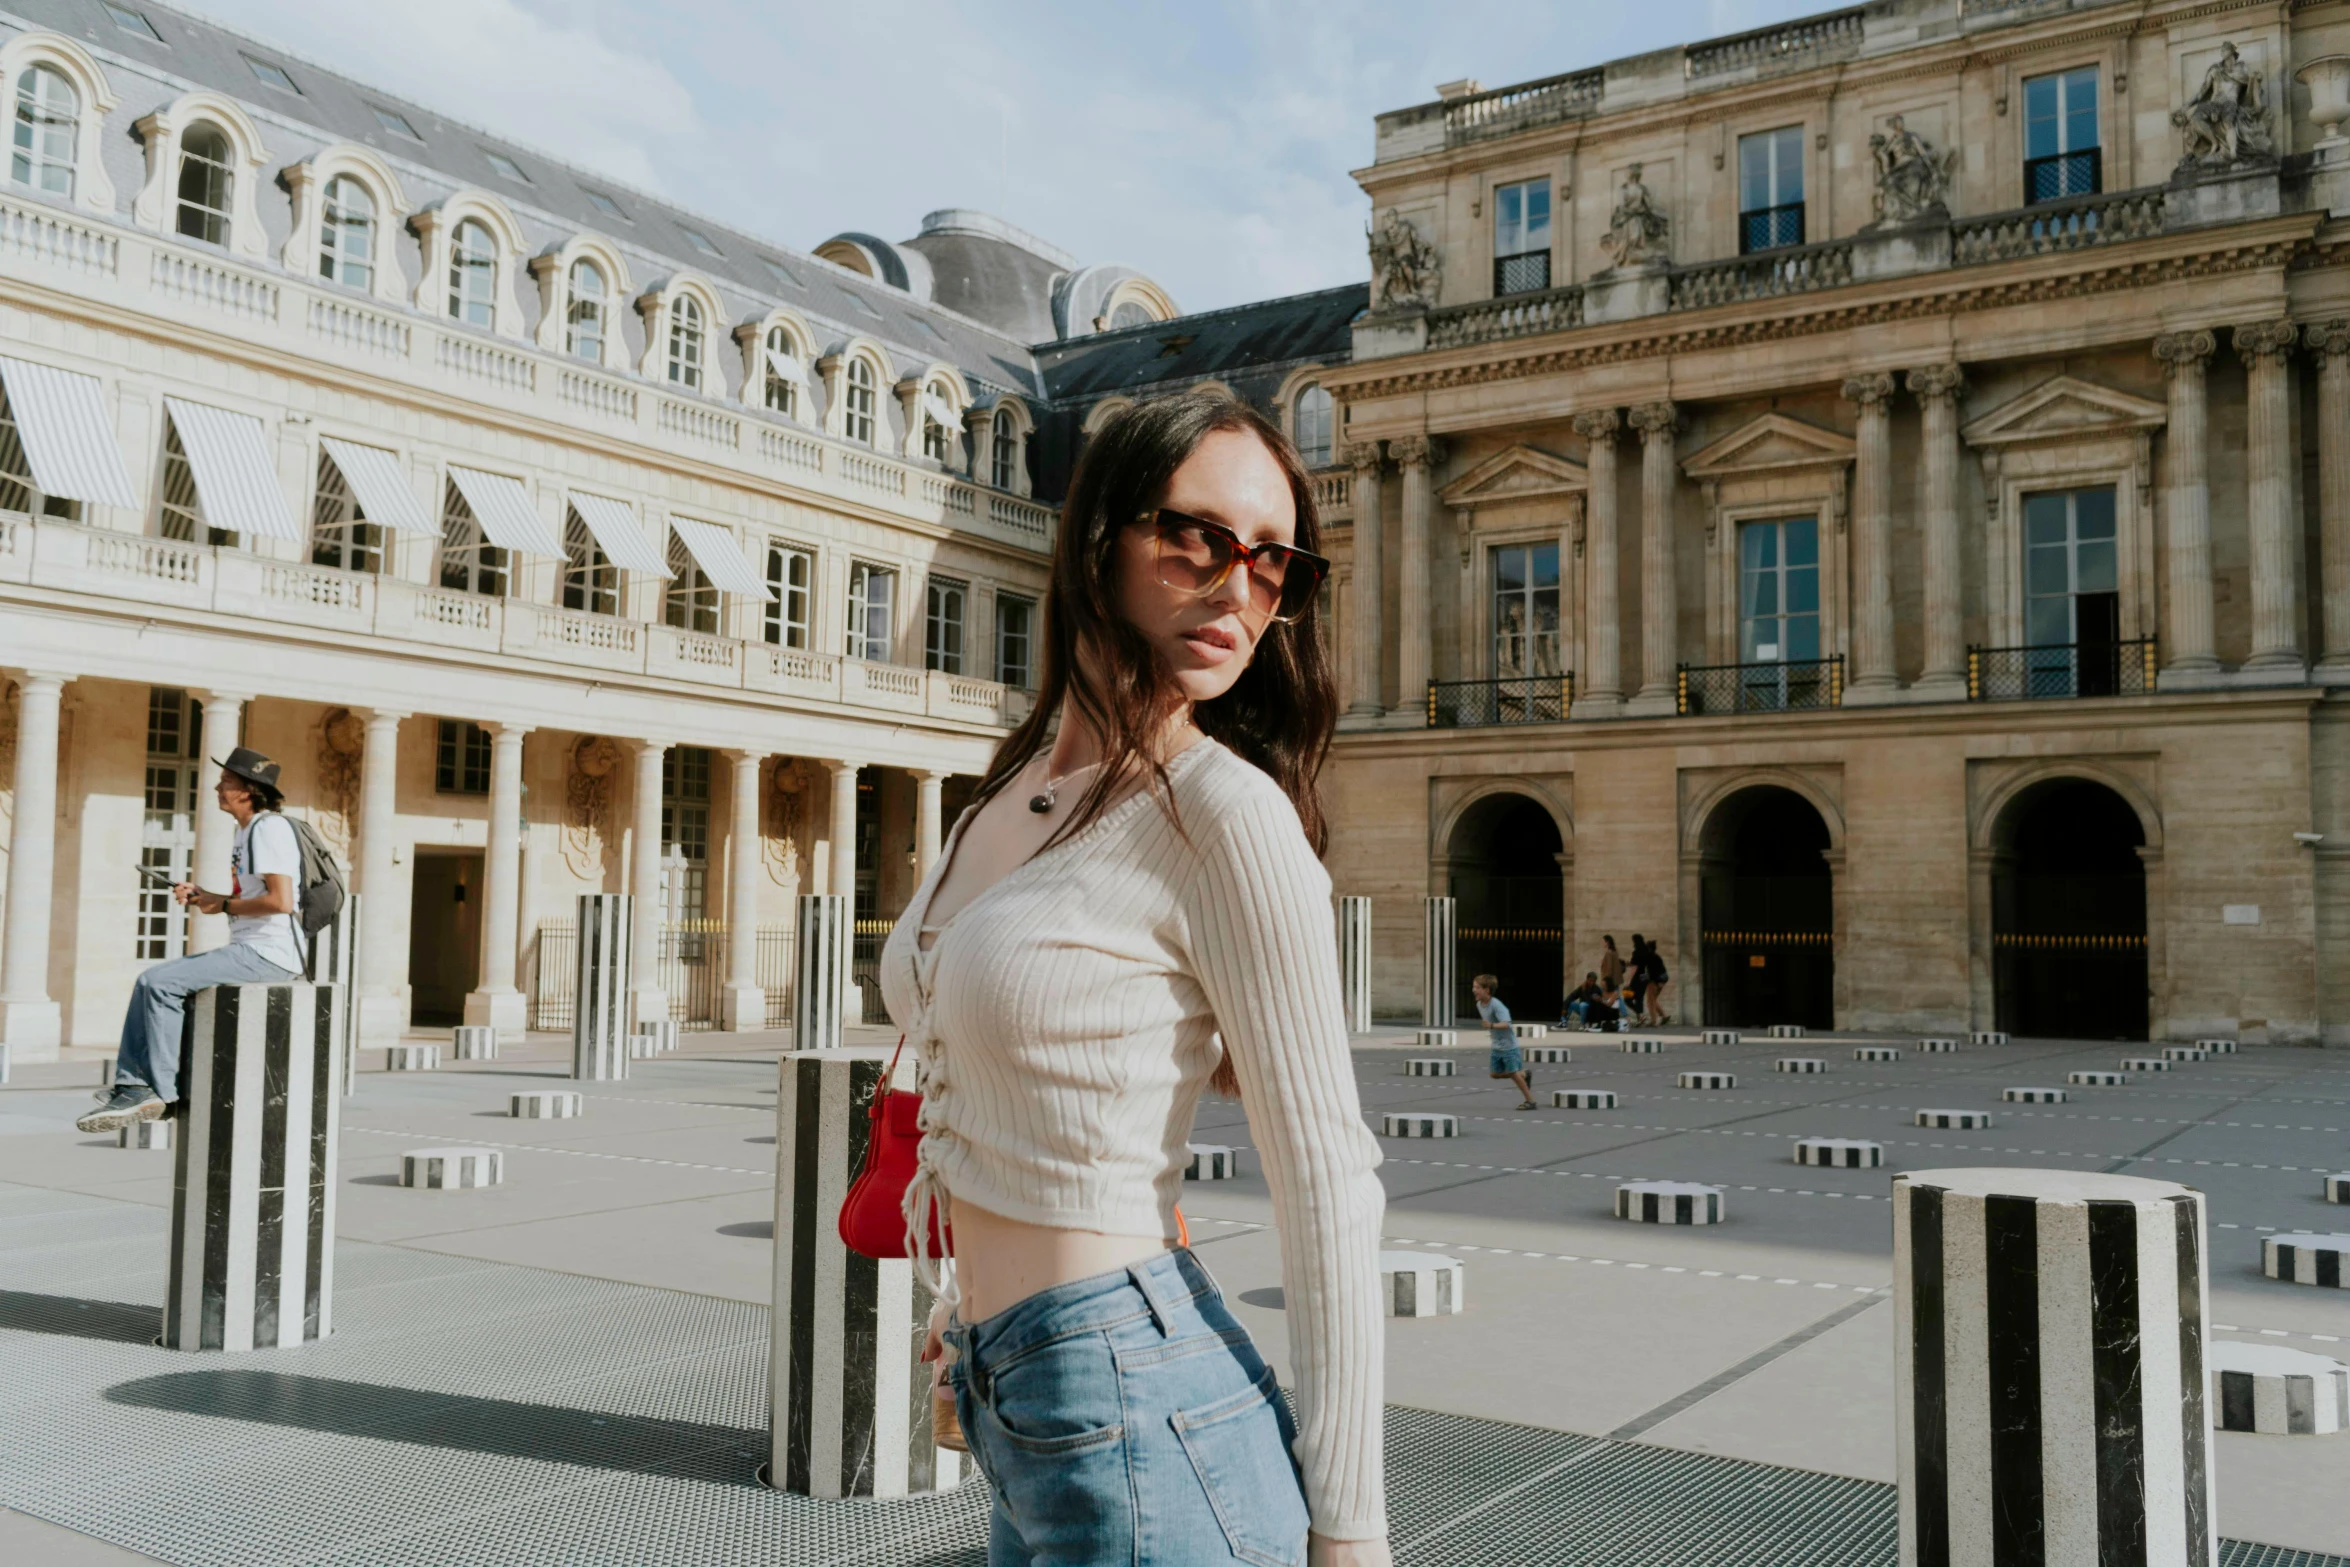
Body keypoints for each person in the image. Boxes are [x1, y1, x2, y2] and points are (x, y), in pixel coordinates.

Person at [883, 391, 1390, 1566]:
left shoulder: (1226, 815)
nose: (1236, 588)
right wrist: (978, 1320)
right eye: (1197, 538)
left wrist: (1351, 1534)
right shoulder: (1006, 793)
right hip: (1024, 1386)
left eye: (1274, 565)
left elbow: (1329, 1183)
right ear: (1098, 534)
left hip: (1137, 1399)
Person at [78, 747, 305, 1133]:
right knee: (154, 983)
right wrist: (209, 897)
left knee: (157, 982)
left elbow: (281, 902)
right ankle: (137, 1085)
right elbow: (252, 899)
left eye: (228, 782)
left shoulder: (268, 828)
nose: (218, 787)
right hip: (253, 947)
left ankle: (153, 1089)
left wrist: (223, 903)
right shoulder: (247, 831)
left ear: (249, 790)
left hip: (270, 953)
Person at [1472, 973, 1537, 1111]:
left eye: (1477, 987)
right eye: (1474, 987)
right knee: (1494, 1074)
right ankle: (1524, 1074)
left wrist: (1491, 1026)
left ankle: (1530, 1100)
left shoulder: (1497, 1006)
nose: (1473, 990)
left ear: (1487, 989)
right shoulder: (1479, 1004)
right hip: (1496, 1045)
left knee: (1513, 1073)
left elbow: (1507, 1024)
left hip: (1508, 1046)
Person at [1641, 938, 1672, 1026]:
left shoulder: (1649, 957)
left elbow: (1651, 973)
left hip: (1655, 981)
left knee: (1650, 1001)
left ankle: (1654, 1021)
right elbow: (1662, 970)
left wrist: (1643, 978)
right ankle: (1663, 1016)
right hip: (1662, 979)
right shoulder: (1657, 957)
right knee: (1653, 1000)